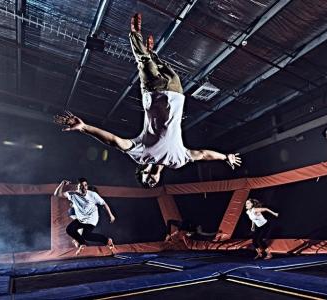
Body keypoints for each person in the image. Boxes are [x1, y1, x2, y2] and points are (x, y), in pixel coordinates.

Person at [54, 13, 241, 188]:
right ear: (159, 178)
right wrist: (225, 157)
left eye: (147, 179)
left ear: (142, 171)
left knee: (144, 62)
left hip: (153, 93)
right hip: (176, 93)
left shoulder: (141, 156)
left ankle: (134, 35)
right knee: (164, 67)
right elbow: (203, 154)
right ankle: (152, 54)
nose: (151, 180)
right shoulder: (178, 161)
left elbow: (115, 142)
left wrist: (85, 128)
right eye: (153, 183)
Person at [54, 178, 117, 255]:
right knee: (69, 229)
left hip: (91, 219)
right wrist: (62, 183)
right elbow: (57, 194)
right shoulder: (72, 194)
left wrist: (111, 215)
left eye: (85, 185)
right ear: (77, 187)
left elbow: (104, 203)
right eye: (81, 186)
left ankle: (107, 241)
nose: (84, 188)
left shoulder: (92, 194)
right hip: (81, 219)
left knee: (86, 235)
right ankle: (82, 243)